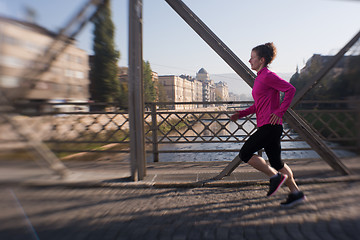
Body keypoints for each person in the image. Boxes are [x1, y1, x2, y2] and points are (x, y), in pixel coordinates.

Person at [230, 42, 306, 207]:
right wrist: (241, 114)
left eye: (252, 58)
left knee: (245, 153)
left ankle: (274, 177)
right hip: (269, 126)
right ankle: (296, 193)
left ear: (262, 60)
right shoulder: (260, 78)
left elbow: (290, 89)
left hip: (270, 126)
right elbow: (258, 105)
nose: (249, 61)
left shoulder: (268, 76)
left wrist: (279, 111)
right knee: (277, 163)